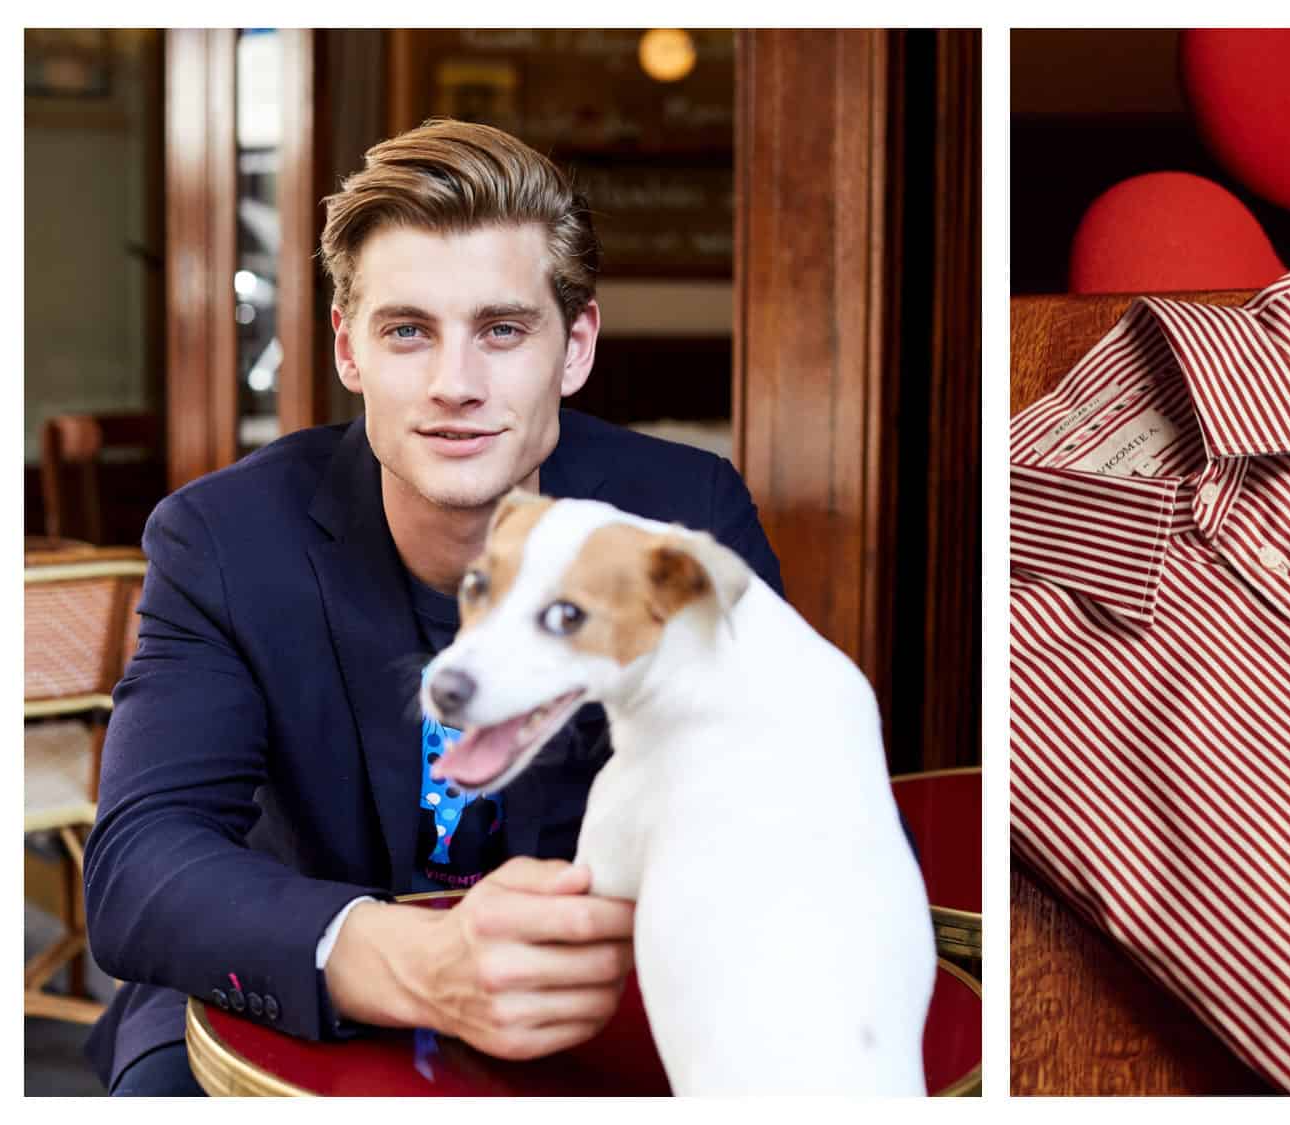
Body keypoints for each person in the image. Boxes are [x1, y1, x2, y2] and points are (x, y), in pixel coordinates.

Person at [82, 118, 784, 1095]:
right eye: (408, 330)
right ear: (348, 350)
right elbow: (138, 868)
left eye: (503, 330)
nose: (456, 385)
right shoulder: (223, 540)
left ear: (574, 347)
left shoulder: (679, 516)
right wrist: (411, 962)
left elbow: (778, 798)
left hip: (597, 987)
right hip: (287, 977)